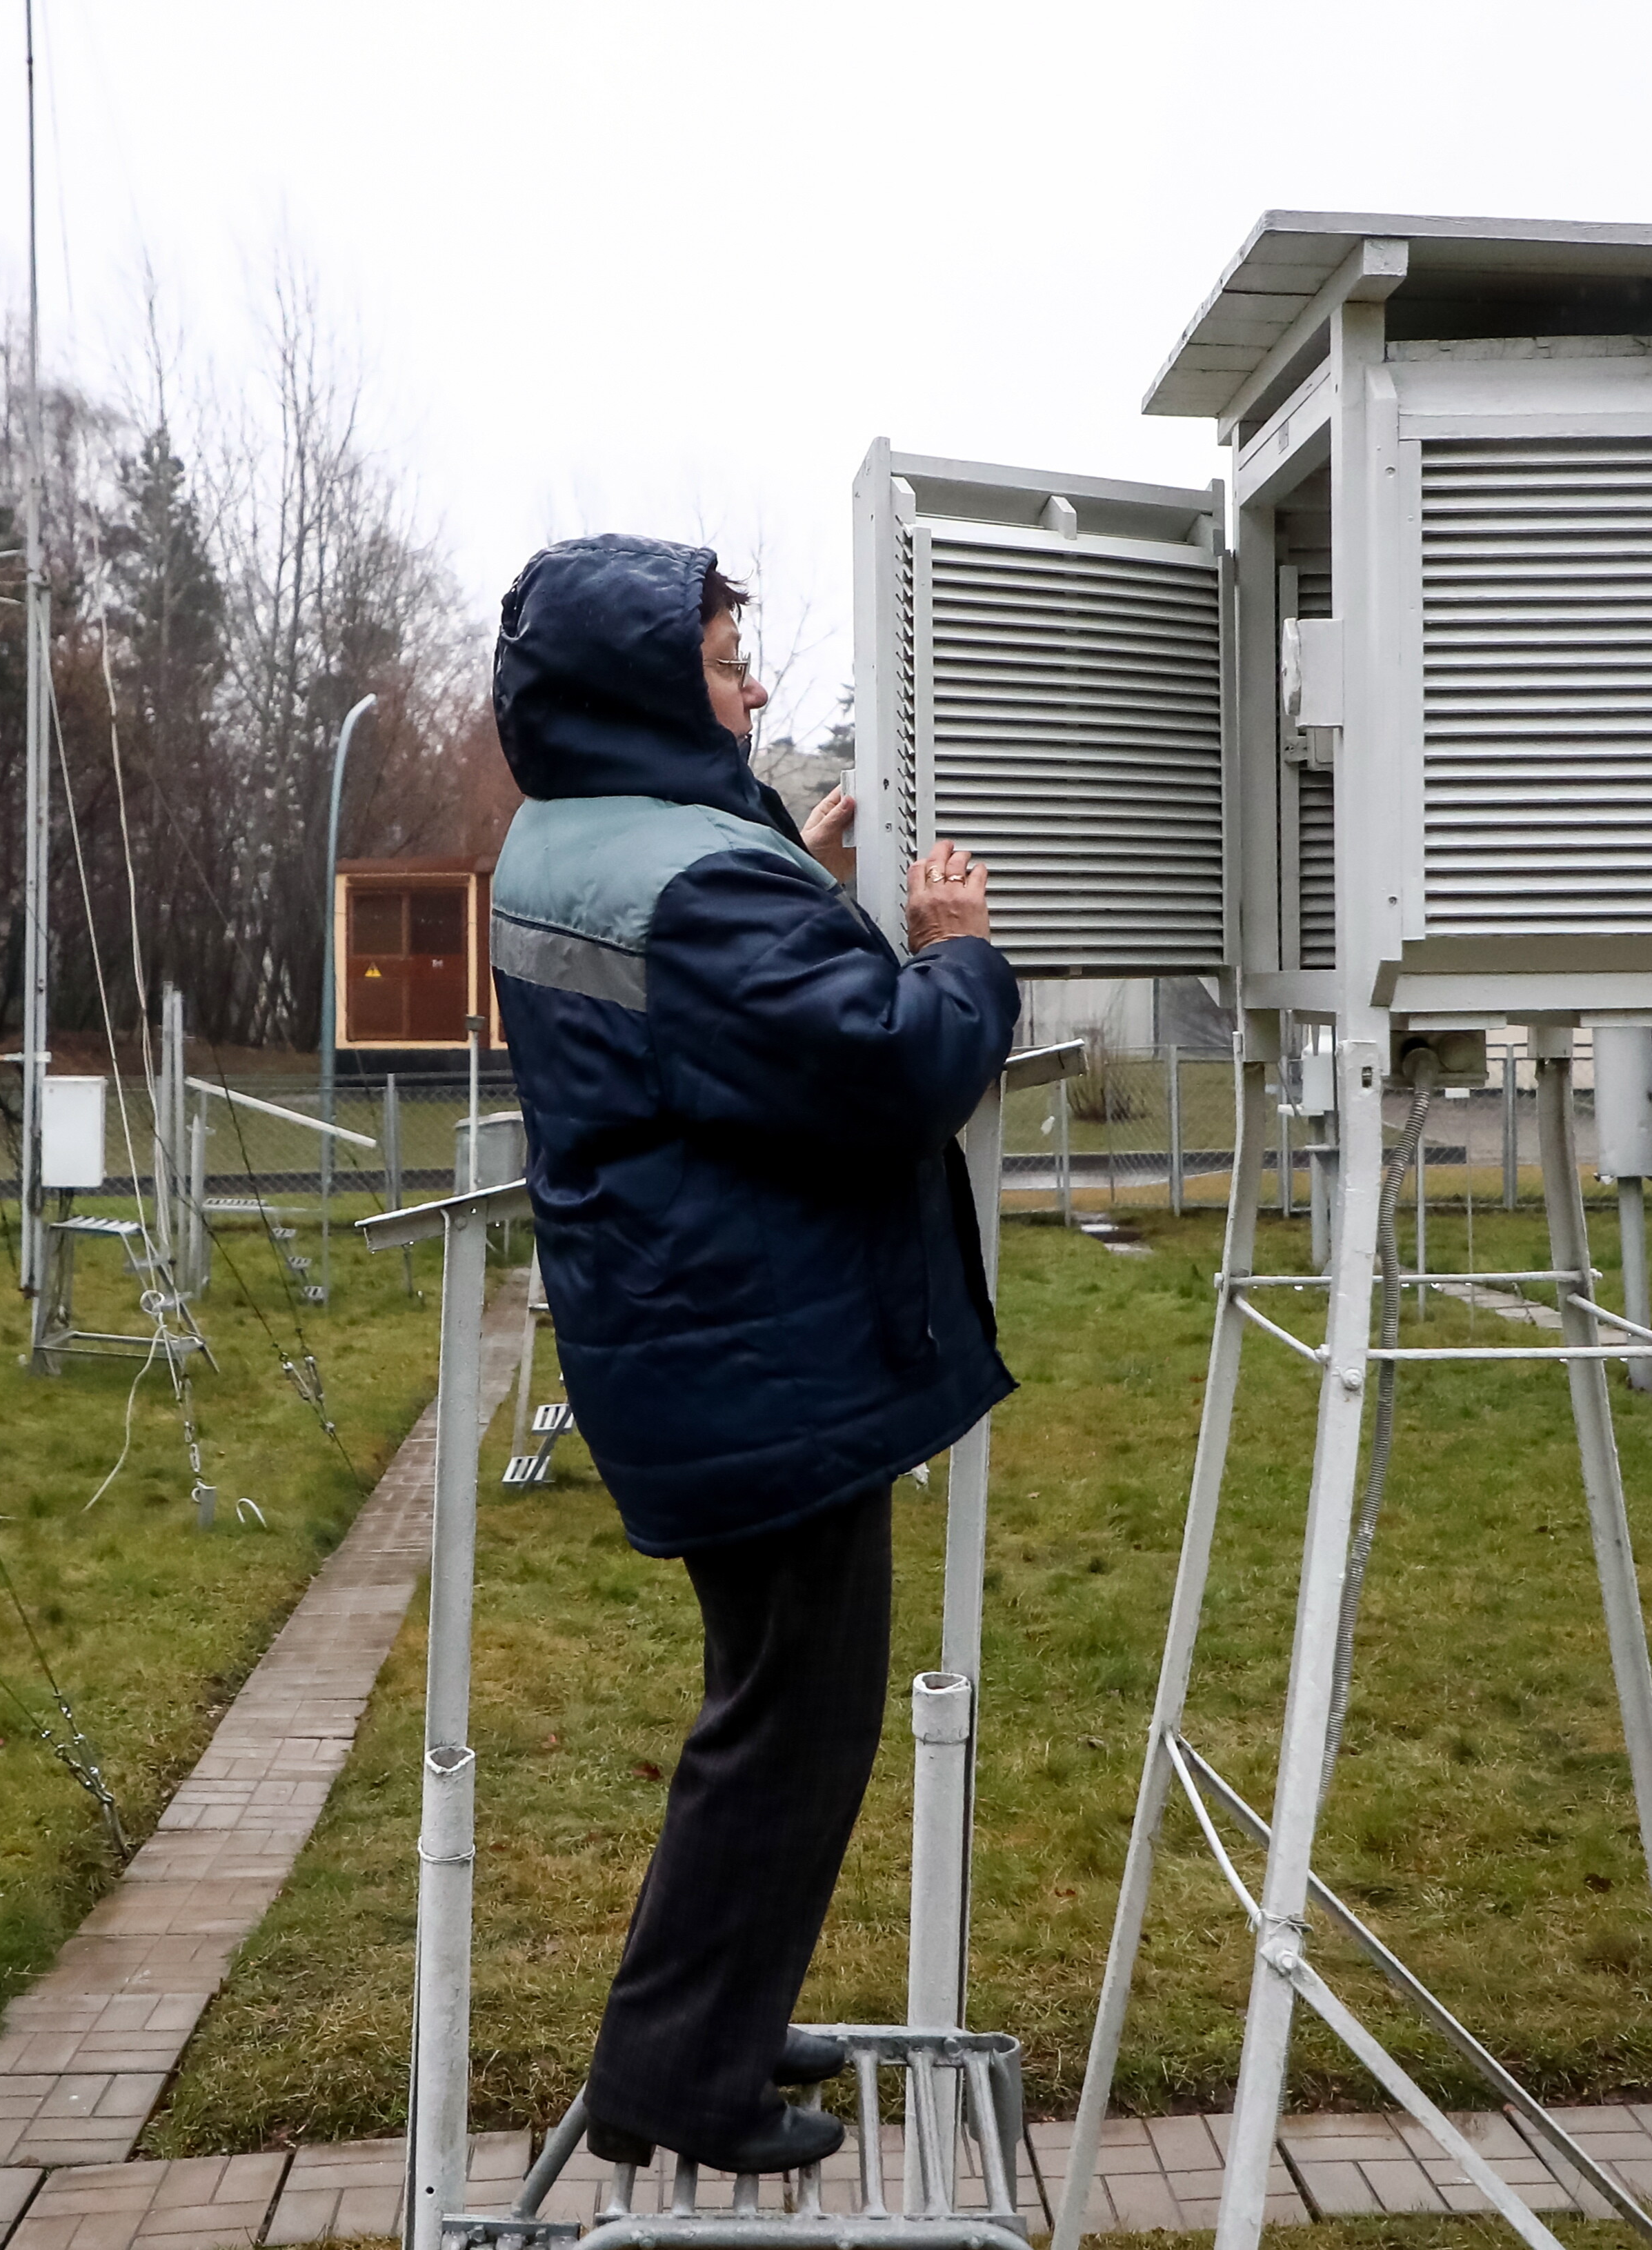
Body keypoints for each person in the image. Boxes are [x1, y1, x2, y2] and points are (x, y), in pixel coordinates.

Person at [486, 533, 1017, 2176]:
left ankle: (702, 2025)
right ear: (650, 686)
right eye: (727, 661)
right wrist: (953, 949)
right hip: (759, 1369)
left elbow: (693, 992)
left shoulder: (569, 834)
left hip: (695, 1347)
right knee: (790, 1731)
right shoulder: (697, 888)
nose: (757, 681)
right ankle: (679, 2079)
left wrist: (787, 849)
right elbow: (880, 1068)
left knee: (764, 1712)